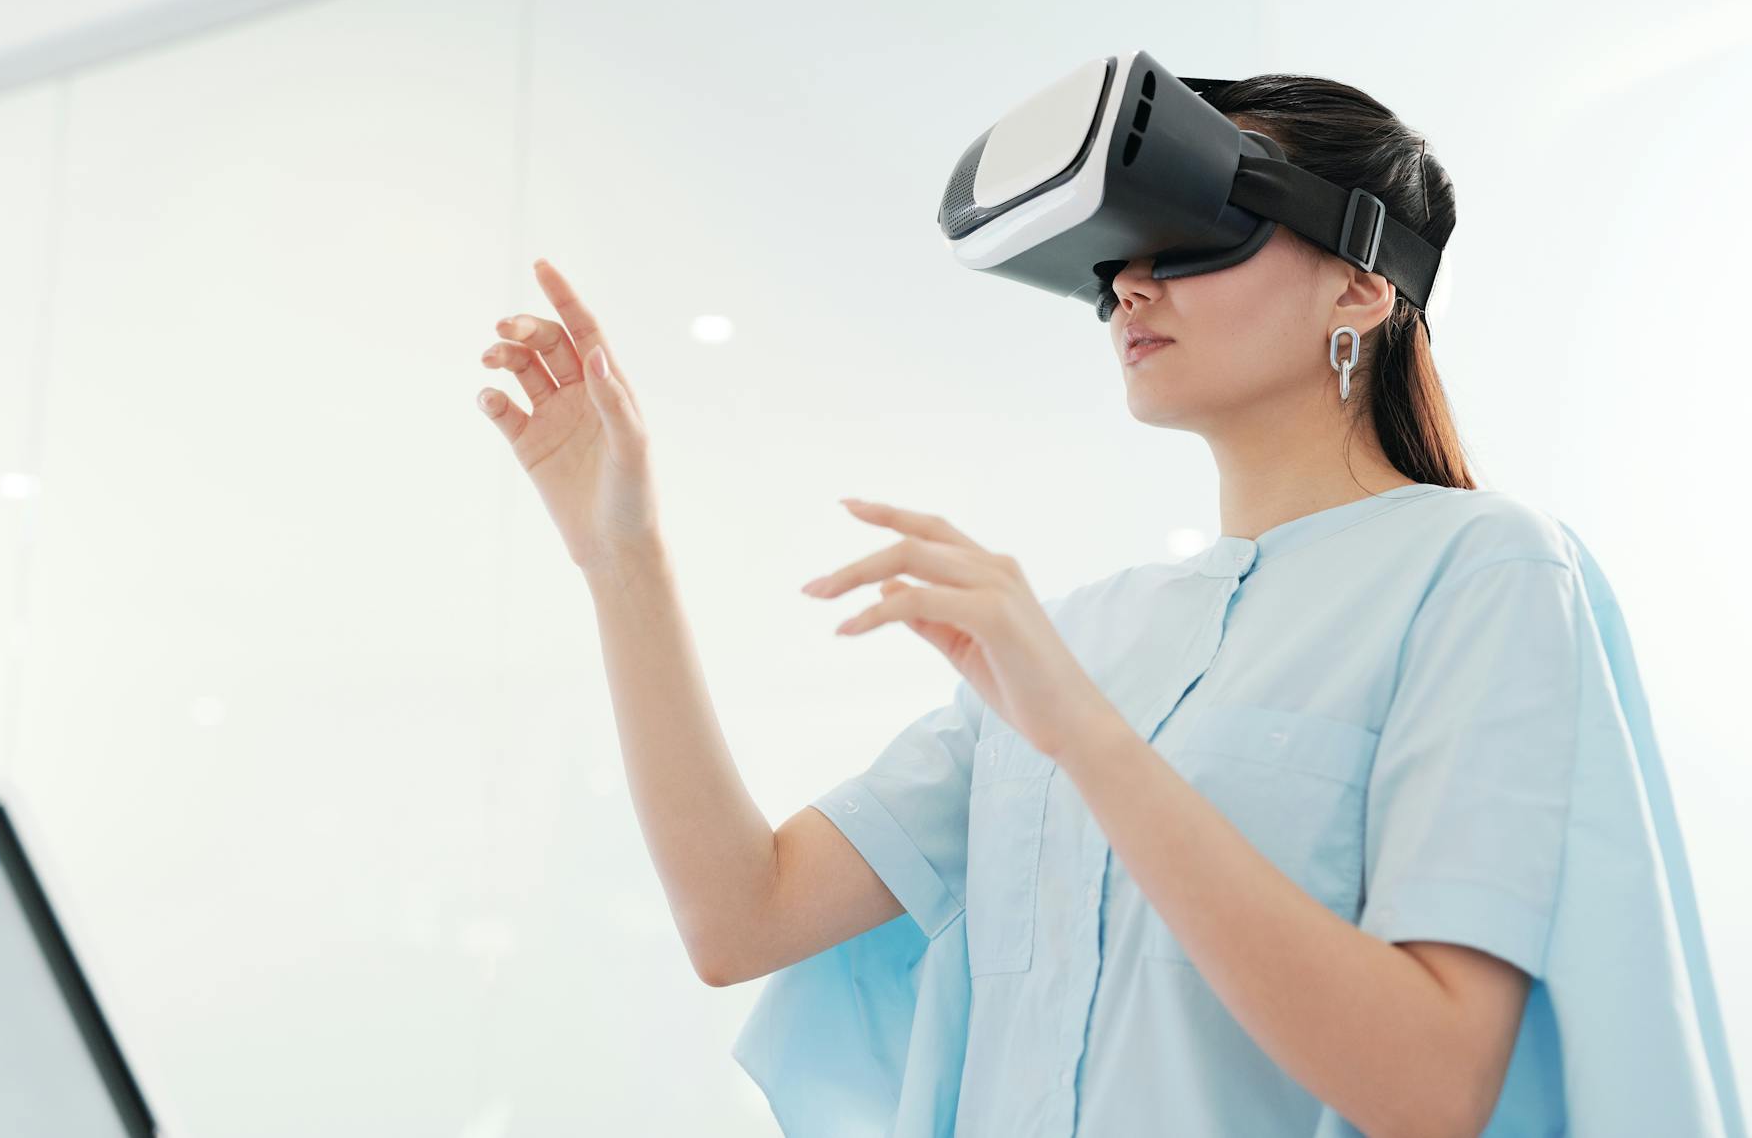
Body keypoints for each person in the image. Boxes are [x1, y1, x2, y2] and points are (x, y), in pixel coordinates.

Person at [472, 76, 1744, 1137]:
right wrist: (618, 553)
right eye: (1111, 259)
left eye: (1192, 238)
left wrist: (1085, 736)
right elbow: (739, 911)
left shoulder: (1484, 571)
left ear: (1362, 284)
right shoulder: (1077, 632)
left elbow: (1430, 1083)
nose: (1129, 285)